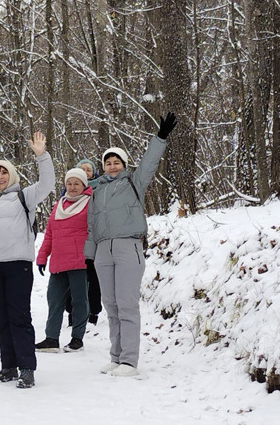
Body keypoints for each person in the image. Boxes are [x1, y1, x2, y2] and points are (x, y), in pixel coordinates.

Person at [85, 112, 177, 377]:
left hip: (129, 248)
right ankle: (115, 357)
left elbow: (149, 163)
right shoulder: (97, 190)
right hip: (103, 251)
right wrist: (89, 256)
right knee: (110, 305)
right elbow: (91, 225)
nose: (112, 166)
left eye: (117, 162)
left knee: (126, 304)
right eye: (108, 163)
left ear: (124, 165)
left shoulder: (133, 182)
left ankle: (129, 361)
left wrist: (160, 138)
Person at [0, 131, 55, 389]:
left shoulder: (25, 197)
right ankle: (8, 366)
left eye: (4, 173)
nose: (0, 177)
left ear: (11, 175)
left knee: (20, 317)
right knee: (1, 318)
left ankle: (27, 369)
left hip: (18, 266)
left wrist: (41, 155)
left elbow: (47, 184)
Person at [35, 168, 92, 354]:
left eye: (77, 183)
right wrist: (42, 256)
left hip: (80, 261)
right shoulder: (59, 204)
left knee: (79, 301)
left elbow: (95, 231)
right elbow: (49, 234)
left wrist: (93, 257)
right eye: (69, 183)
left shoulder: (90, 203)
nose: (73, 187)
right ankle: (51, 338)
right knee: (54, 299)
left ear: (84, 185)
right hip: (59, 261)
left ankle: (77, 338)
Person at [65, 158, 102, 326]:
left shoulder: (101, 189)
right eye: (82, 169)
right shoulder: (68, 192)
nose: (85, 172)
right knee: (71, 280)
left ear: (93, 173)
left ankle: (94, 312)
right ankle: (72, 312)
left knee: (93, 279)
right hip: (72, 244)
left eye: (88, 169)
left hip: (93, 242)